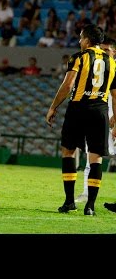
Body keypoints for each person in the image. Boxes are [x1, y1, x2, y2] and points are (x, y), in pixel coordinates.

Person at [45, 24, 116, 216]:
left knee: (68, 152)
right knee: (96, 158)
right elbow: (115, 95)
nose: (79, 41)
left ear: (87, 40)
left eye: (81, 37)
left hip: (78, 108)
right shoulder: (112, 62)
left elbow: (68, 85)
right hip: (100, 110)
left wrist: (53, 107)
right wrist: (115, 118)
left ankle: (69, 202)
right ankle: (90, 206)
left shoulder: (79, 57)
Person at [76, 36, 116, 204]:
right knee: (91, 157)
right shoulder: (95, 70)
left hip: (114, 120)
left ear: (114, 53)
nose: (103, 54)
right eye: (102, 50)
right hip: (98, 119)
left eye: (107, 51)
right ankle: (86, 193)